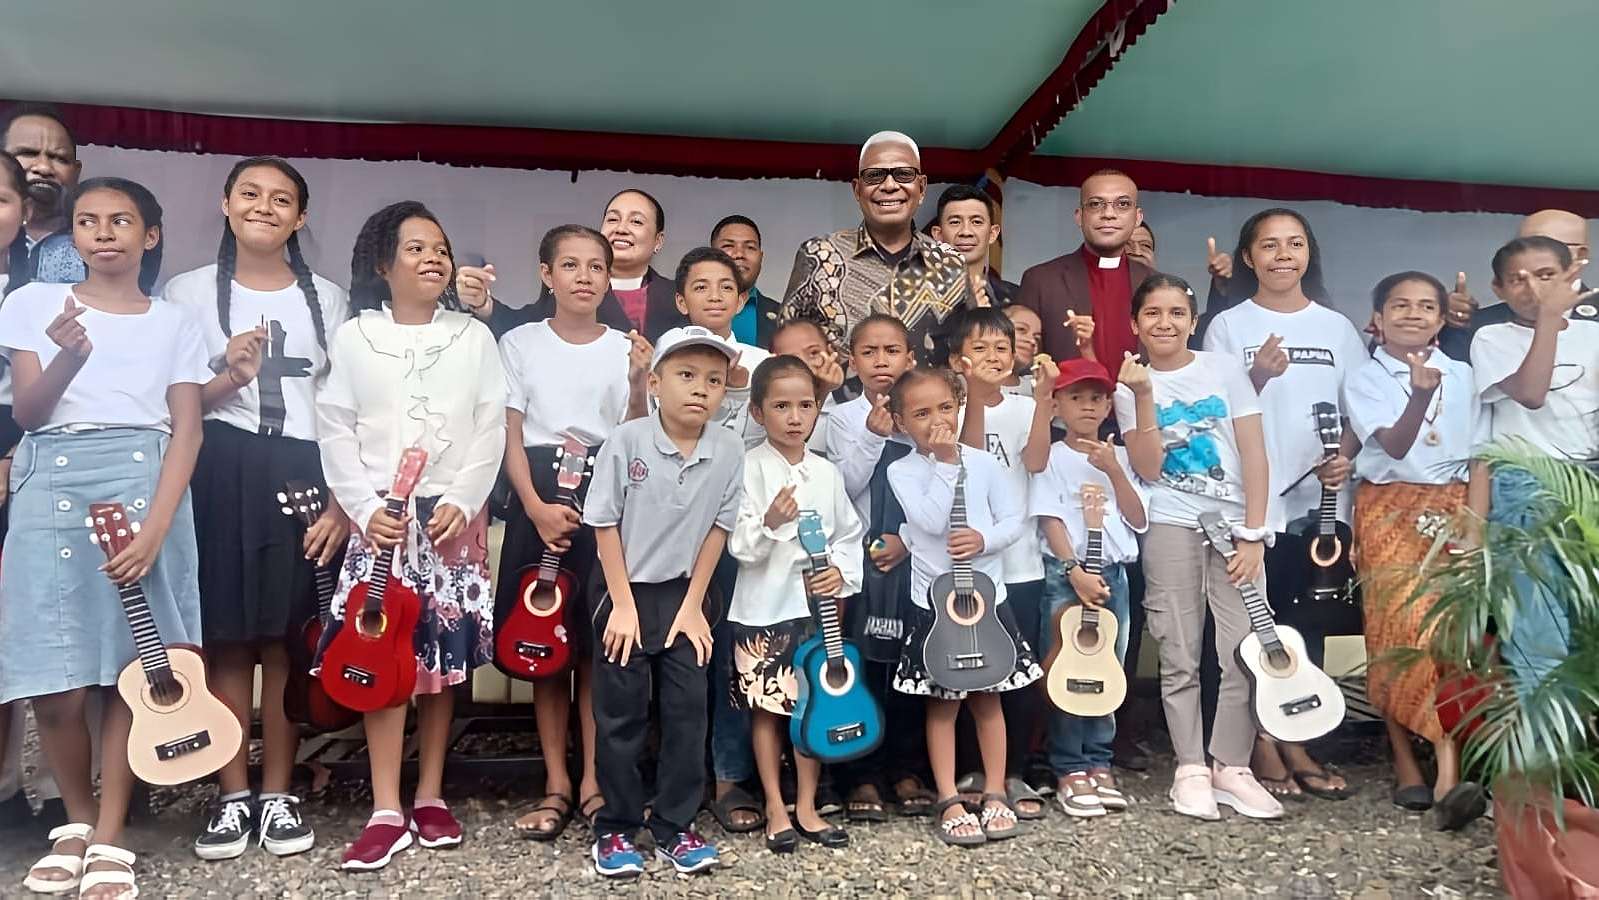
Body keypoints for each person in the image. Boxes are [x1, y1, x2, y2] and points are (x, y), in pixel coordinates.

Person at [0, 177, 208, 900]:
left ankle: (112, 830)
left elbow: (188, 427)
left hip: (142, 476)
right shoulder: (31, 304)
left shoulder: (175, 319)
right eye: (87, 221)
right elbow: (27, 413)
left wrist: (156, 527)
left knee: (135, 669)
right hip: (50, 478)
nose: (104, 233)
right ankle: (75, 823)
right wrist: (69, 357)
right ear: (71, 236)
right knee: (52, 676)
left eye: (122, 221)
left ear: (151, 235)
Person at [164, 157, 351, 861]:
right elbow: (176, 404)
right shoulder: (185, 293)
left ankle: (278, 793)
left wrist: (341, 499)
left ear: (300, 218)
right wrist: (227, 376)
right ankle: (231, 794)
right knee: (229, 635)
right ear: (225, 203)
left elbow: (340, 408)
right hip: (221, 465)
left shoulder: (326, 300)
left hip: (303, 469)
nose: (264, 207)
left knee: (286, 636)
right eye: (250, 194)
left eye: (282, 200)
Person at [315, 201, 506, 871]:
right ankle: (386, 808)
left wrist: (462, 496)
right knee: (383, 654)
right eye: (416, 247)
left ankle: (430, 794)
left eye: (440, 248)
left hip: (452, 519)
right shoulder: (353, 337)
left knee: (438, 660)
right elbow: (334, 425)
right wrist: (363, 506)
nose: (433, 258)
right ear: (382, 263)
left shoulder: (473, 337)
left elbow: (491, 424)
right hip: (381, 522)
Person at [494, 225, 650, 841]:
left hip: (607, 497)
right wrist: (532, 506)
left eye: (596, 266)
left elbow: (639, 433)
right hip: (537, 489)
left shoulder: (629, 346)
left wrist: (640, 380)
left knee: (594, 646)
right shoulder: (520, 343)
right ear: (546, 273)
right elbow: (508, 430)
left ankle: (594, 782)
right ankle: (555, 781)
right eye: (570, 265)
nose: (584, 277)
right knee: (545, 642)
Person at [1201, 207, 1362, 802]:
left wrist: (1343, 457)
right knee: (1252, 626)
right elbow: (1212, 415)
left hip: (1318, 501)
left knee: (1307, 623)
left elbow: (1359, 410)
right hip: (1250, 502)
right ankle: (1262, 743)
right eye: (1269, 246)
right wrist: (1259, 377)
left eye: (1295, 244)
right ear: (1248, 258)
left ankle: (1296, 731)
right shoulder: (1227, 326)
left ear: (1308, 254)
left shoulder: (1337, 328)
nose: (1283, 256)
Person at [1114, 274, 1283, 822]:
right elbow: (1147, 466)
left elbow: (1255, 454)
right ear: (1136, 324)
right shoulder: (1128, 384)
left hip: (1236, 527)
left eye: (1177, 313)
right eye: (1152, 314)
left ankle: (1231, 765)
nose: (1165, 323)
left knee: (1244, 649)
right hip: (1170, 524)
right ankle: (1189, 766)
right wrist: (1142, 397)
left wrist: (1255, 533)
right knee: (1179, 649)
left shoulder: (1224, 370)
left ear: (1193, 321)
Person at [583, 325, 744, 878]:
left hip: (686, 594)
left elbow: (719, 531)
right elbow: (603, 525)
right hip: (622, 588)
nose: (700, 389)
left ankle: (675, 825)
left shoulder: (726, 447)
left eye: (714, 380)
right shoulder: (626, 442)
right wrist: (623, 607)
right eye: (685, 375)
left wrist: (695, 605)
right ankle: (617, 827)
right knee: (621, 715)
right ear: (654, 382)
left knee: (687, 711)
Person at [1346, 271, 1487, 830]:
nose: (1413, 314)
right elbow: (1397, 445)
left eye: (1426, 306)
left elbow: (1482, 454)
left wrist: (1475, 523)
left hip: (1455, 505)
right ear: (1377, 318)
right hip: (1389, 506)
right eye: (1399, 305)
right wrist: (1420, 394)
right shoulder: (1364, 378)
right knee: (1395, 633)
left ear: (1441, 316)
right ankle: (1405, 759)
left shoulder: (1467, 373)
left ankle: (1448, 767)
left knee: (1449, 636)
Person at [886, 367, 1042, 847]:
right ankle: (949, 795)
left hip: (985, 598)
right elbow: (930, 522)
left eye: (946, 408)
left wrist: (985, 539)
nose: (937, 420)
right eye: (922, 413)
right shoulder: (902, 470)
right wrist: (945, 463)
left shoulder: (986, 463)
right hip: (934, 603)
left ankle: (995, 788)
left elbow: (1013, 518)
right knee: (943, 701)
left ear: (959, 408)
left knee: (988, 696)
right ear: (899, 422)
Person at [728, 355, 864, 852]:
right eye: (781, 406)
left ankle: (807, 803)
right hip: (763, 608)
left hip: (816, 611)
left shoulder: (825, 472)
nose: (794, 417)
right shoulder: (746, 466)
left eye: (805, 405)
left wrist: (840, 573)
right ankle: (773, 804)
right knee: (767, 709)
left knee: (814, 705)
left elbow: (849, 532)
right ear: (758, 413)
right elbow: (736, 546)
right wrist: (769, 521)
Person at [1470, 236, 1599, 712]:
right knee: (1537, 626)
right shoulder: (1492, 338)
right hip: (1525, 488)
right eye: (1517, 279)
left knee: (1587, 623)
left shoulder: (1594, 335)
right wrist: (1548, 320)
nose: (1531, 287)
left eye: (1545, 275)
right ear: (1498, 289)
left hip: (1587, 481)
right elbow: (1531, 393)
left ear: (1571, 276)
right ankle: (1544, 766)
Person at [947, 308, 1054, 819]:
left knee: (1019, 671)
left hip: (1022, 560)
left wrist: (1045, 402)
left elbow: (1034, 462)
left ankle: (1013, 771)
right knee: (969, 667)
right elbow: (968, 460)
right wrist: (969, 397)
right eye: (981, 348)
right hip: (971, 568)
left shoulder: (1024, 404)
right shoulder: (951, 410)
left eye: (1002, 348)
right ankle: (971, 768)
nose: (993, 357)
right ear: (957, 359)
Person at [1031, 358, 1148, 817]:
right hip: (1069, 576)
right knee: (1068, 671)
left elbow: (1138, 519)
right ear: (1057, 404)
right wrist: (1072, 568)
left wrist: (1114, 470)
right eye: (1075, 397)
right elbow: (1050, 517)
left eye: (1096, 398)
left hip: (1115, 575)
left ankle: (1100, 759)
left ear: (1107, 406)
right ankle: (1067, 765)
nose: (1087, 406)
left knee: (1108, 671)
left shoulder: (1119, 454)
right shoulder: (1053, 458)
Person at [783, 131, 974, 363]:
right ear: (857, 190)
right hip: (837, 399)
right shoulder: (819, 255)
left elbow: (967, 358)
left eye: (903, 174)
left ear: (922, 188)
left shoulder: (950, 265)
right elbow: (785, 354)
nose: (890, 185)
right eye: (875, 175)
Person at [460, 188, 681, 340]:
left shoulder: (679, 297)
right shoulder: (571, 287)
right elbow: (520, 326)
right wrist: (483, 303)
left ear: (658, 240)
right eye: (613, 219)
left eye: (636, 221)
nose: (621, 228)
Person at [1016, 169, 1153, 366]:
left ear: (1137, 217)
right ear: (1079, 216)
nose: (1108, 214)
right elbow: (1023, 360)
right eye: (1096, 204)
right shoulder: (1041, 280)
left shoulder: (1155, 283)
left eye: (1122, 204)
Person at [1438, 209, 1599, 361]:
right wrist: (1439, 314)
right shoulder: (1477, 326)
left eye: (1542, 245)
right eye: (1520, 245)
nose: (1526, 252)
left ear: (1580, 255)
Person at [1, 104, 85, 285]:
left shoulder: (98, 244)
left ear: (76, 172)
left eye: (60, 158)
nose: (44, 168)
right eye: (28, 153)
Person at [930, 185, 1017, 309]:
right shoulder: (914, 297)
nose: (966, 232)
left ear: (992, 234)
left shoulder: (1015, 297)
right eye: (955, 222)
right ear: (938, 234)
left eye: (976, 222)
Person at [767, 317, 845, 453]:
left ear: (830, 351)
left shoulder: (845, 405)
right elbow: (794, 443)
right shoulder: (767, 400)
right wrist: (824, 390)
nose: (805, 363)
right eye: (793, 358)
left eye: (814, 352)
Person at [714, 215, 779, 349]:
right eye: (728, 246)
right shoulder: (684, 310)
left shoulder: (783, 318)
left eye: (750, 247)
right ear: (711, 255)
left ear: (761, 258)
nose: (739, 254)